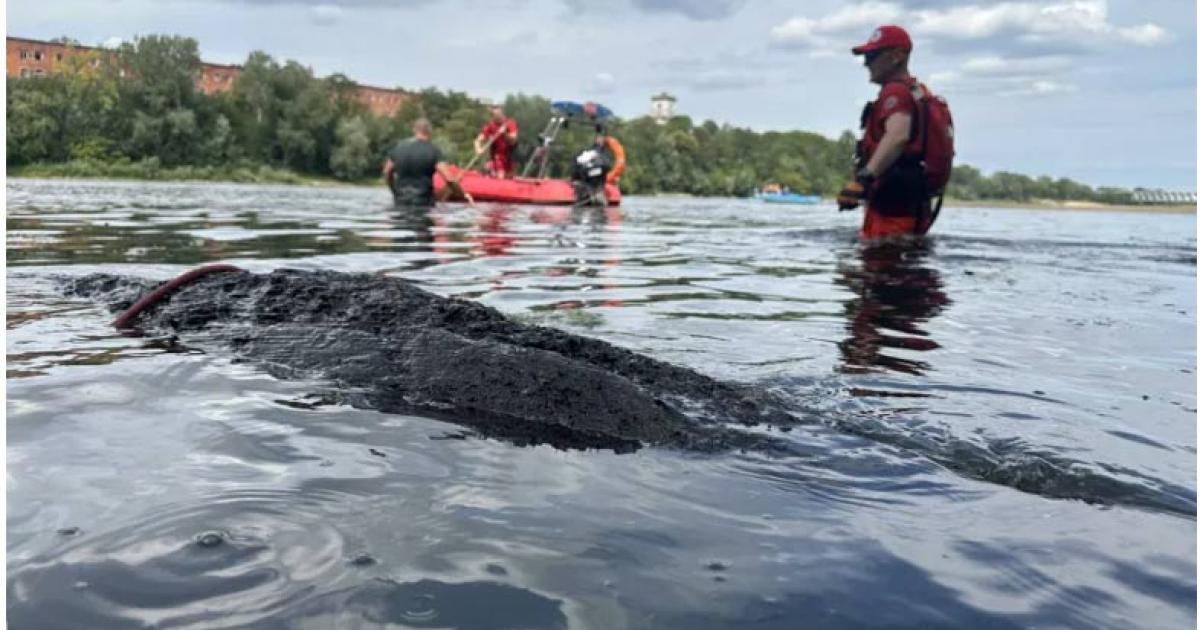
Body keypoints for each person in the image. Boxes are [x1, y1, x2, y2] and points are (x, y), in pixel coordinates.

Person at [838, 25, 937, 240]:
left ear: (897, 56)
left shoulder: (896, 92)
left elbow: (898, 135)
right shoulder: (915, 91)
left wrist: (863, 179)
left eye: (872, 56)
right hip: (912, 203)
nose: (866, 64)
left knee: (880, 267)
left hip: (892, 205)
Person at [382, 118, 455, 207]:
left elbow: (387, 172)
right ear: (429, 131)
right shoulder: (433, 150)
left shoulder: (398, 148)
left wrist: (394, 190)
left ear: (414, 130)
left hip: (400, 200)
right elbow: (449, 179)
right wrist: (447, 193)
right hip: (423, 201)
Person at [474, 105, 519, 179]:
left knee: (509, 178)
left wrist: (504, 134)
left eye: (498, 115)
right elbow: (478, 140)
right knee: (500, 176)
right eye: (494, 115)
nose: (497, 117)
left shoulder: (510, 123)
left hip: (510, 154)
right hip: (498, 155)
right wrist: (478, 149)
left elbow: (513, 140)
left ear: (502, 113)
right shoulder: (490, 125)